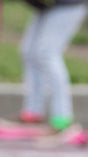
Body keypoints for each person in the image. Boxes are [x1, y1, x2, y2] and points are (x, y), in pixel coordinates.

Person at [18, 0, 88, 138]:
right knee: (29, 51)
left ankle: (62, 118)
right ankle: (33, 113)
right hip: (50, 4)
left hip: (70, 4)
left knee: (47, 53)